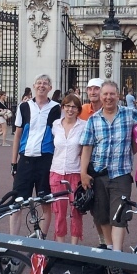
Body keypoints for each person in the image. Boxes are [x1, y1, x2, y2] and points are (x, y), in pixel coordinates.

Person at [80, 80, 137, 251]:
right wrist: (83, 172)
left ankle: (117, 254)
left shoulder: (130, 114)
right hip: (99, 174)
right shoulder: (93, 120)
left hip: (121, 174)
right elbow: (87, 147)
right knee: (101, 215)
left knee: (119, 214)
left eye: (112, 94)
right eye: (105, 94)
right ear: (101, 96)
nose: (108, 97)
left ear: (118, 95)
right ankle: (110, 247)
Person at [10, 74, 61, 235]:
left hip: (46, 160)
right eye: (39, 83)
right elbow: (18, 135)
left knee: (45, 202)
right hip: (25, 160)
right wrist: (13, 162)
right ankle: (12, 241)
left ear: (50, 88)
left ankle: (41, 241)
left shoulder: (57, 108)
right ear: (34, 85)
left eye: (45, 83)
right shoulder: (24, 107)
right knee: (17, 203)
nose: (42, 86)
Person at [49, 93, 85, 244]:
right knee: (59, 211)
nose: (70, 109)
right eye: (67, 106)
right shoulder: (56, 125)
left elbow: (85, 151)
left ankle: (74, 247)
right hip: (57, 171)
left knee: (76, 211)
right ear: (63, 107)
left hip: (75, 172)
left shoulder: (83, 125)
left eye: (74, 107)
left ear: (78, 109)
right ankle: (60, 245)